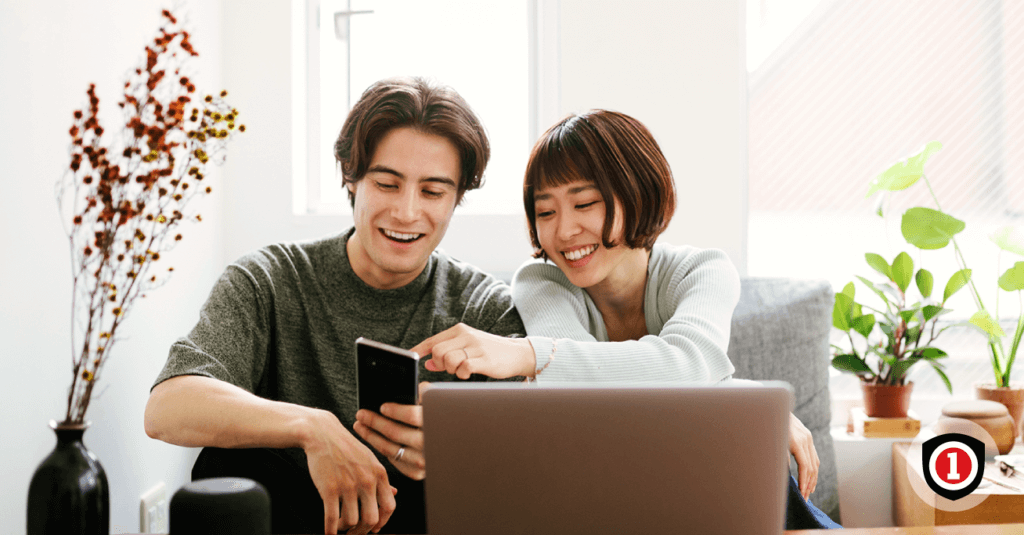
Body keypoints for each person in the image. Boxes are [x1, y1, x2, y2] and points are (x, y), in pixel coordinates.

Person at [412, 109, 841, 529]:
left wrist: (527, 355)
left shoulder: (703, 271)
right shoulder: (543, 281)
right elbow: (591, 407)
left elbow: (687, 366)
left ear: (638, 192)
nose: (563, 231)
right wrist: (737, 395)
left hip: (699, 493)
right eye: (546, 212)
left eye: (585, 203)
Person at [144, 77, 526, 535]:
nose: (406, 212)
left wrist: (456, 445)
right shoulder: (269, 279)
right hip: (294, 517)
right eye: (387, 183)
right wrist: (312, 428)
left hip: (420, 518)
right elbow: (168, 407)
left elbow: (534, 455)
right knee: (228, 465)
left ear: (457, 197)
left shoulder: (484, 308)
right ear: (351, 176)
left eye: (432, 192)